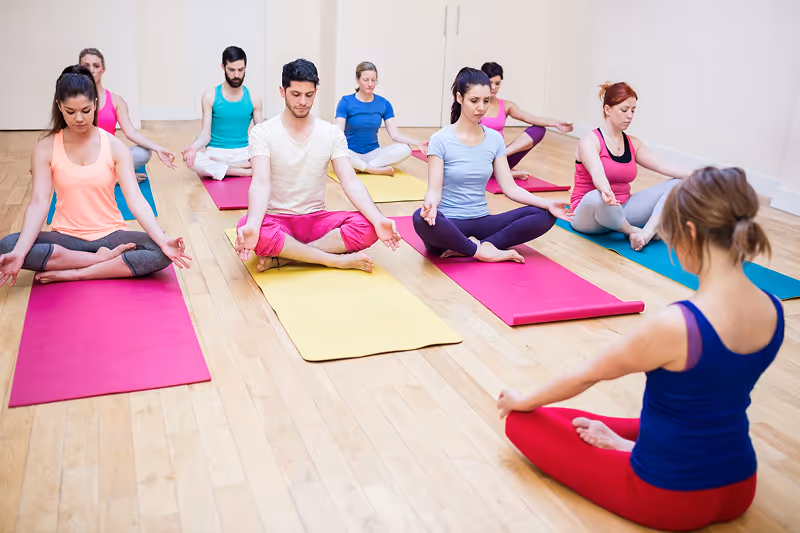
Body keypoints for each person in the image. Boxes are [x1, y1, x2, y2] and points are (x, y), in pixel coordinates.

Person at [497, 167, 782, 531]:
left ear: (691, 233)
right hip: (741, 484)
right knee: (689, 412)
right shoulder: (773, 308)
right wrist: (619, 442)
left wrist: (521, 401)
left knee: (526, 420)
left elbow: (588, 374)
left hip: (668, 497)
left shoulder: (678, 324)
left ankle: (627, 449)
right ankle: (627, 445)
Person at [0, 66, 191, 287]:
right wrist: (20, 252)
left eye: (86, 110)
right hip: (66, 237)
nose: (79, 118)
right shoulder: (45, 147)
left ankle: (75, 272)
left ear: (96, 105)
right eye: (70, 111)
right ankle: (98, 261)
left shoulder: (114, 146)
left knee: (160, 251)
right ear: (59, 106)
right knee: (9, 246)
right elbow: (39, 202)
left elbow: (135, 199)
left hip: (110, 236)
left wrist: (162, 239)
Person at [234, 59, 401, 273]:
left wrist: (379, 219)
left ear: (315, 92)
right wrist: (253, 224)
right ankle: (332, 260)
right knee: (246, 226)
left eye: (309, 95)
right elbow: (260, 183)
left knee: (369, 225)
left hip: (316, 221)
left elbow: (350, 181)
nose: (303, 101)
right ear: (282, 91)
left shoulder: (331, 133)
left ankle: (288, 258)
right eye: (295, 94)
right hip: (278, 222)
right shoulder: (262, 132)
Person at [412, 68, 571, 263]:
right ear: (460, 98)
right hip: (450, 223)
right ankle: (478, 250)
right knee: (419, 218)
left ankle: (480, 246)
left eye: (486, 101)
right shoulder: (440, 139)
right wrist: (430, 206)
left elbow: (510, 188)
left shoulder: (494, 139)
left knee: (545, 214)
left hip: (481, 222)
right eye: (474, 100)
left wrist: (547, 203)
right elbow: (434, 191)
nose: (481, 107)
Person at [570, 82, 694, 251]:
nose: (630, 115)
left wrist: (697, 174)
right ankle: (632, 231)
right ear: (607, 109)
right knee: (597, 196)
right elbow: (597, 172)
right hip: (589, 216)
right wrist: (606, 191)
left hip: (622, 210)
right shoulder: (589, 141)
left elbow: (663, 165)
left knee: (680, 182)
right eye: (624, 110)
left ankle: (646, 234)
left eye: (633, 110)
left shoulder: (633, 144)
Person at [79, 48, 176, 181]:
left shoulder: (116, 101)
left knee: (144, 152)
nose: (92, 70)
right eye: (86, 66)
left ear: (103, 69)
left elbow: (131, 132)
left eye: (96, 66)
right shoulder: (73, 100)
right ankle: (114, 177)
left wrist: (158, 148)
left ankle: (109, 175)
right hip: (84, 157)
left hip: (108, 156)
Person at [182, 46, 265, 180]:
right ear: (223, 67)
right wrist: (192, 148)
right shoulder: (210, 95)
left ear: (245, 67)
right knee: (193, 160)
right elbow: (205, 135)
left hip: (243, 152)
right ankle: (245, 171)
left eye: (241, 70)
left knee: (273, 158)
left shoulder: (254, 97)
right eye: (231, 70)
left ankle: (228, 167)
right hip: (216, 152)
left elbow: (262, 133)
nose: (237, 75)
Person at [480, 62, 573, 180]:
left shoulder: (506, 105)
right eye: (490, 82)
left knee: (538, 130)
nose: (493, 87)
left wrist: (556, 123)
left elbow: (532, 119)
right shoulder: (475, 105)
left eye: (497, 83)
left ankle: (500, 166)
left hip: (501, 158)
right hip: (479, 159)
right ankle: (503, 173)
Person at [335, 62, 428, 176]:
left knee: (405, 149)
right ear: (357, 79)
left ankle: (362, 167)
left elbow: (395, 135)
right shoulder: (345, 102)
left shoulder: (384, 104)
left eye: (373, 80)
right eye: (366, 80)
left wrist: (417, 143)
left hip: (374, 154)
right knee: (335, 151)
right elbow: (338, 134)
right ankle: (372, 169)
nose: (370, 84)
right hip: (351, 152)